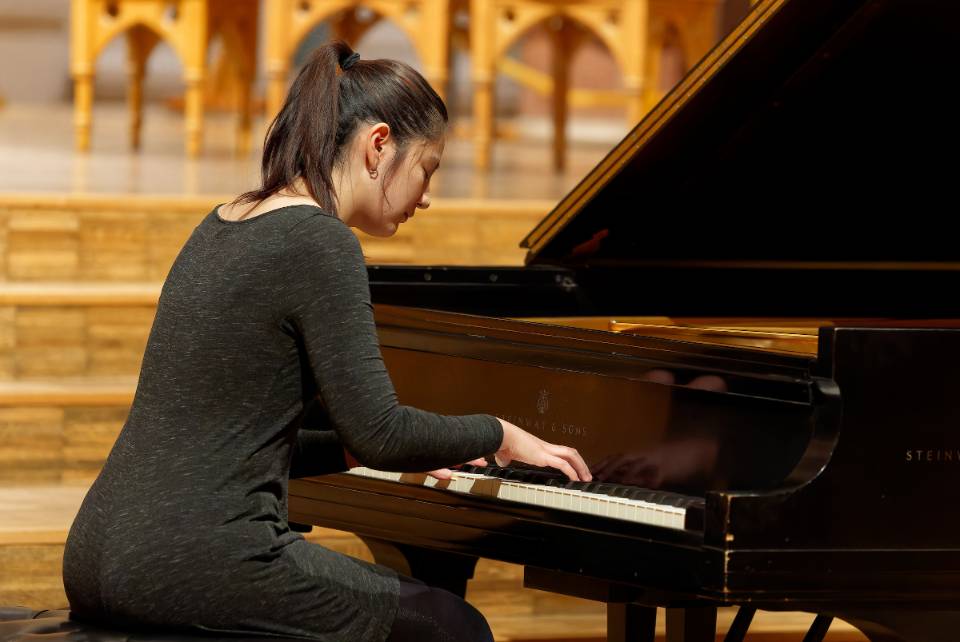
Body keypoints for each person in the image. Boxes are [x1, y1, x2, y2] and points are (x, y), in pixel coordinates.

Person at [61, 41, 590, 642]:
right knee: (454, 627)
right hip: (197, 559)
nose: (427, 195)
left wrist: (345, 454)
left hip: (100, 549)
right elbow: (381, 432)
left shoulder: (225, 220)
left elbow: (231, 433)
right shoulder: (321, 243)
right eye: (428, 168)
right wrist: (499, 433)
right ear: (379, 145)